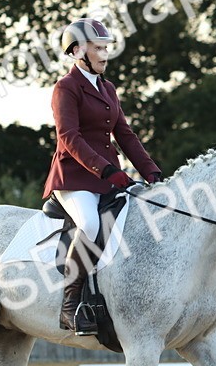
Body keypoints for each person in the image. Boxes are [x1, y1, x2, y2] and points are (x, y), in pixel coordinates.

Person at [42, 18, 164, 336]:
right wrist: (107, 170)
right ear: (77, 51)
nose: (105, 55)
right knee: (90, 224)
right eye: (98, 48)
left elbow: (125, 135)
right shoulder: (66, 88)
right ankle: (70, 305)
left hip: (107, 177)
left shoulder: (107, 88)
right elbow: (69, 137)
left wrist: (152, 172)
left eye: (106, 48)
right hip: (74, 177)